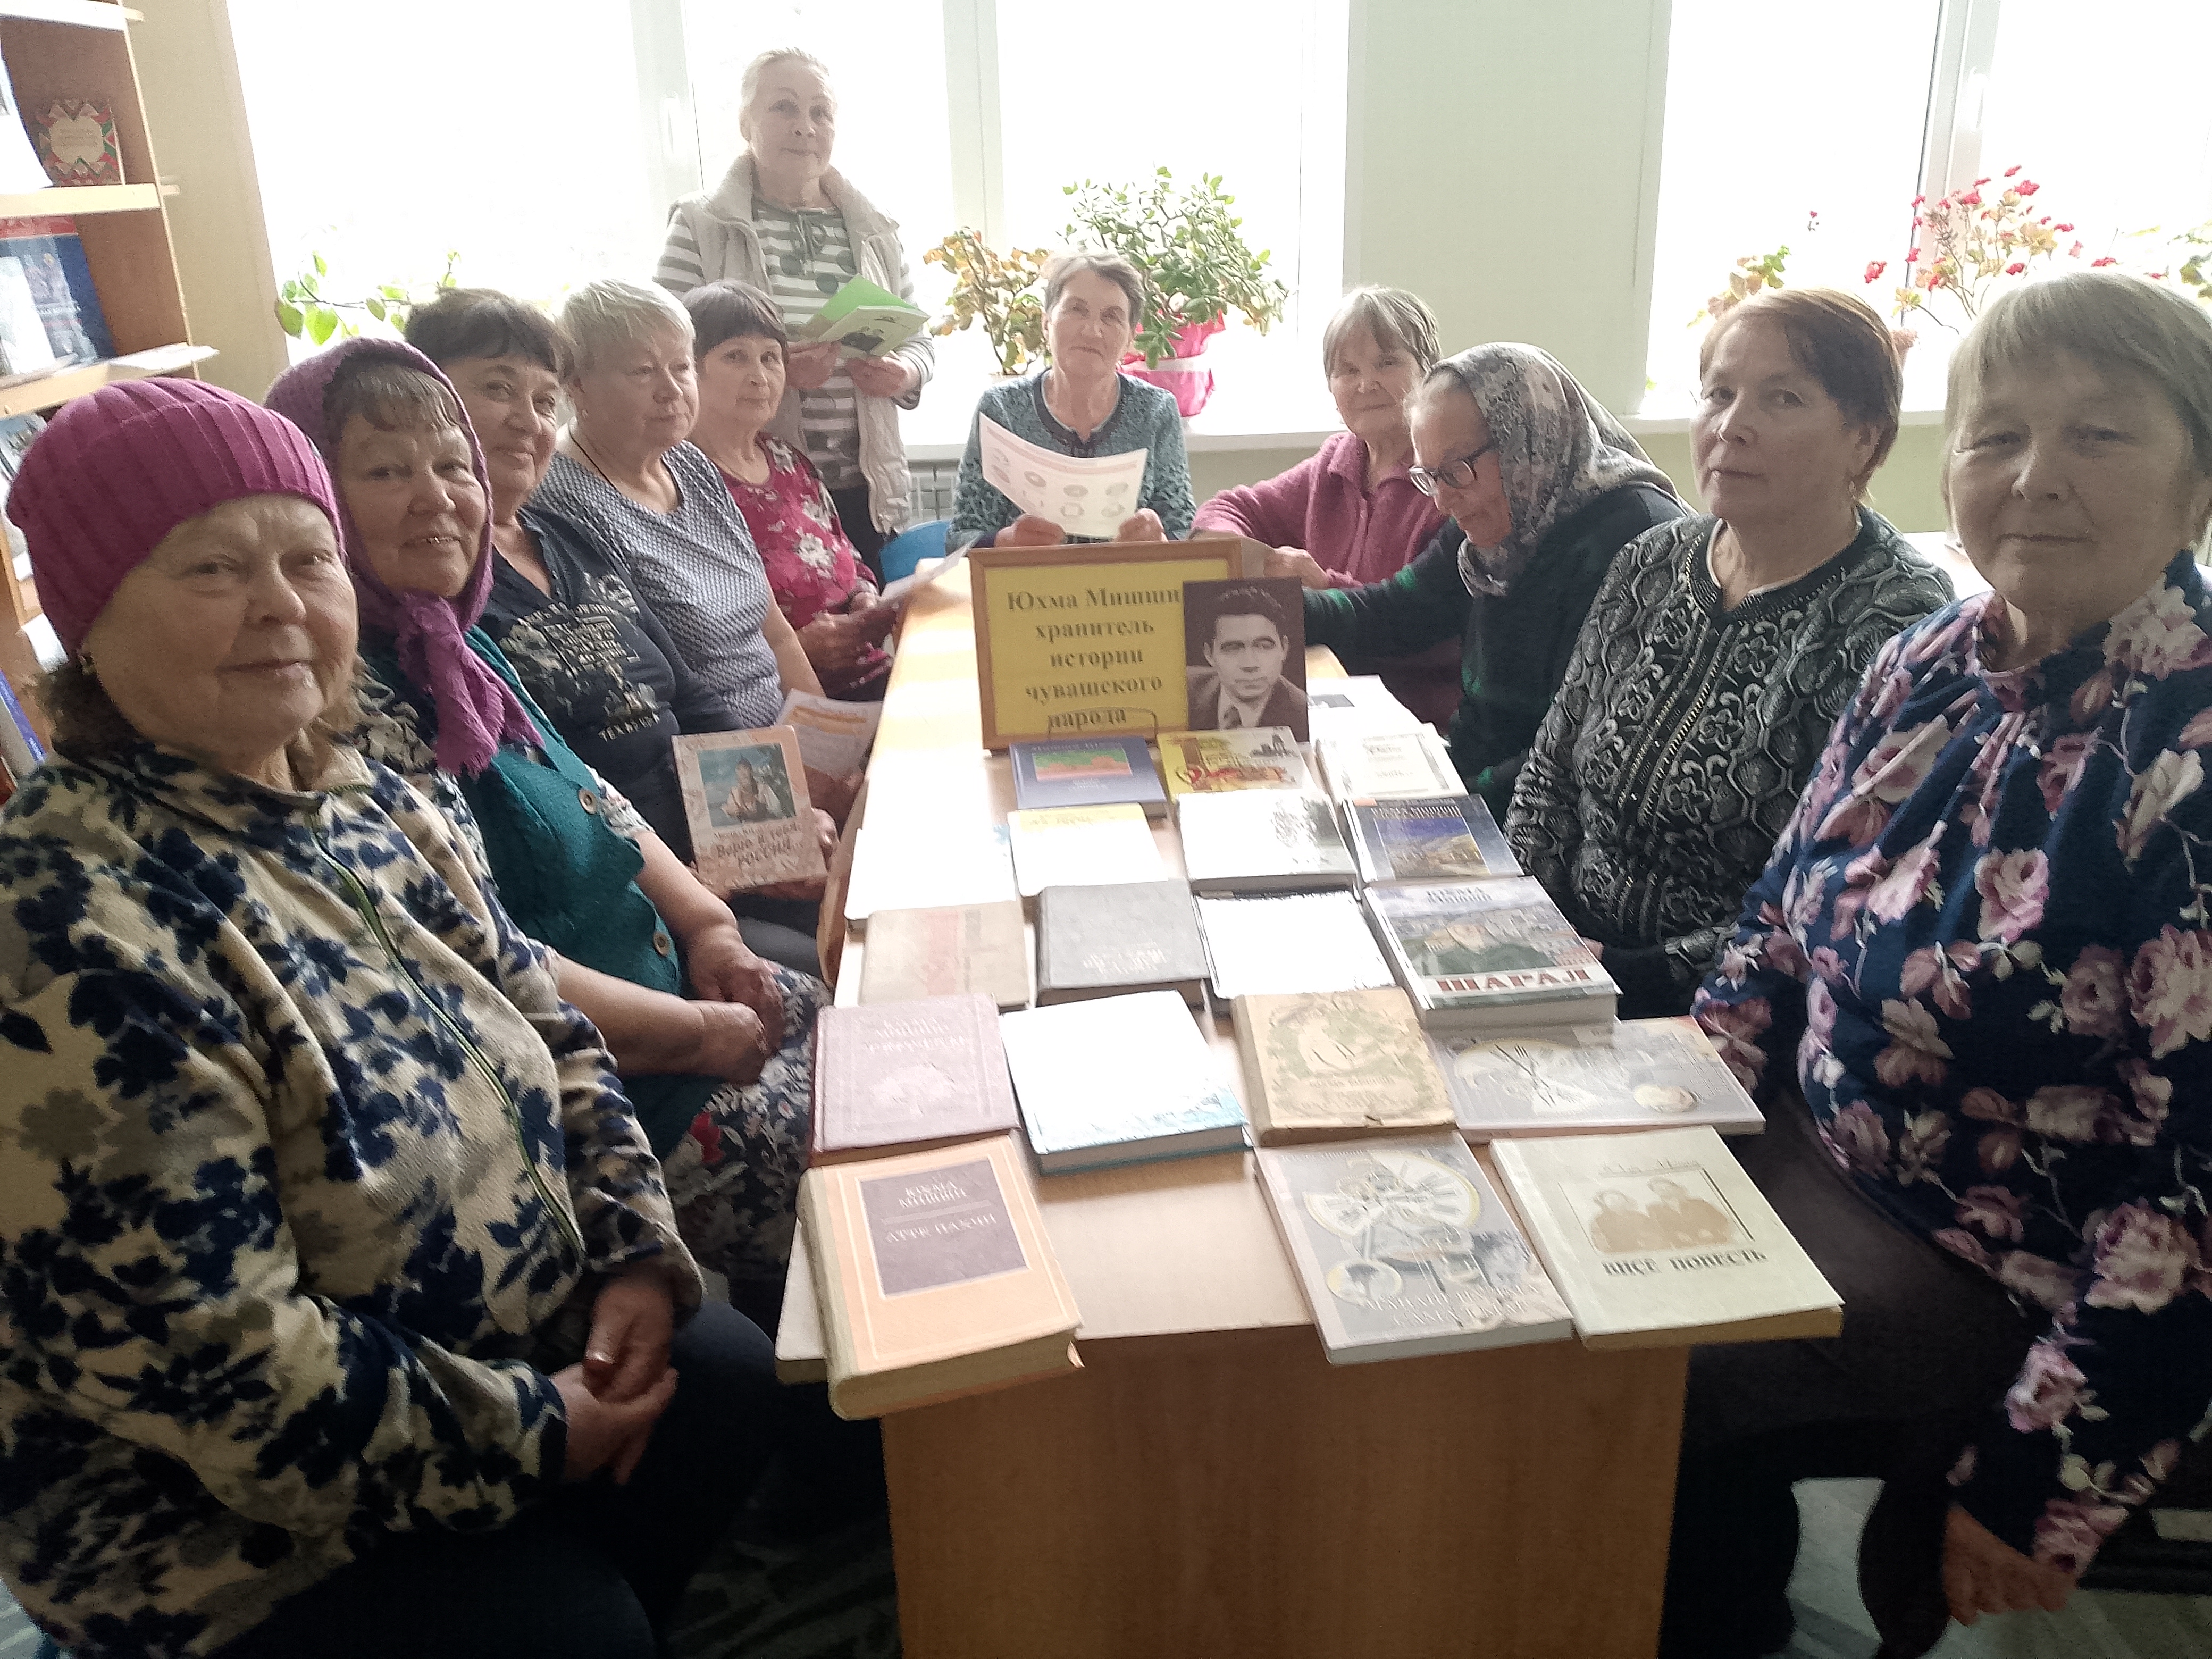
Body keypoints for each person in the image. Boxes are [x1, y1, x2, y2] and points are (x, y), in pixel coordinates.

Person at [0, 380, 783, 1659]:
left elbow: (553, 1029)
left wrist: (637, 1250)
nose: (279, 605)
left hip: (508, 1345)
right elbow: (220, 1363)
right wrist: (539, 1430)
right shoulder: (69, 926)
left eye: (306, 559)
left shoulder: (367, 795)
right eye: (212, 567)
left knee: (726, 1378)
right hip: (221, 1517)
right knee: (565, 1632)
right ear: (91, 623)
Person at [1678, 270, 2212, 1659]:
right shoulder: (1922, 662)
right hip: (1796, 1137)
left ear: (2198, 480)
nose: (2035, 477)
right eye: (1997, 435)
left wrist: (2044, 1474)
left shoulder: (2187, 758)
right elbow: (1778, 916)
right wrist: (1675, 1107)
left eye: (2099, 433)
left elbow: (2194, 1193)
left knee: (1638, 1374)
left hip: (1984, 1256)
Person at [266, 338, 826, 1314]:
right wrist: (697, 1034)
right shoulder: (345, 711)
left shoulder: (457, 646)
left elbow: (596, 797)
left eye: (453, 467)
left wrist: (711, 929)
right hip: (615, 1089)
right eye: (387, 472)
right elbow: (485, 962)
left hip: (677, 993)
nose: (439, 499)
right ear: (313, 501)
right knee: (863, 1166)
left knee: (887, 1037)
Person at [1506, 290, 1951, 1019]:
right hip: (1561, 958)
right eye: (1718, 394)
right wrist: (1525, 929)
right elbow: (1550, 772)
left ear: (1864, 440)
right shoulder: (1652, 560)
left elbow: (1834, 898)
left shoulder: (1898, 620)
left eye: (1782, 399)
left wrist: (1622, 975)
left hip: (1728, 1007)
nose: (1731, 426)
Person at [532, 279, 841, 955]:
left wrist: (827, 752)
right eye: (643, 372)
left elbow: (771, 626)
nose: (671, 390)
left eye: (680, 366)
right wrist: (781, 813)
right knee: (857, 927)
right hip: (709, 801)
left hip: (777, 758)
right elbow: (666, 698)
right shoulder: (562, 503)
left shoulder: (690, 465)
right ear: (576, 384)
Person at [1301, 345, 1687, 819]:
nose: (1442, 502)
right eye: (1431, 476)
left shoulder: (1636, 544)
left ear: (1526, 442)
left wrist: (1440, 806)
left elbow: (1580, 756)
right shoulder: (1503, 520)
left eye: (1456, 471)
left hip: (1542, 816)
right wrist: (1274, 611)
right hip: (1471, 781)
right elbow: (1396, 612)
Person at [655, 48, 929, 569]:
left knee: (871, 611)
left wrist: (905, 373)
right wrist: (776, 370)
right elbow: (665, 351)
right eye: (784, 107)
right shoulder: (701, 223)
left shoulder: (876, 229)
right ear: (745, 123)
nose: (805, 126)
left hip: (866, 488)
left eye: (820, 112)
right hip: (746, 484)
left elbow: (918, 342)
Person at [1193, 285, 1456, 722]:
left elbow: (1426, 629)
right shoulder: (1336, 461)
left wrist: (1322, 586)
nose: (1366, 384)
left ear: (1428, 371)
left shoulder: (1447, 482)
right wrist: (1240, 553)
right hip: (1326, 693)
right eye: (1347, 370)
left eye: (1387, 363)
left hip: (1412, 714)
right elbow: (1230, 508)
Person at [683, 278, 898, 699]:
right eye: (735, 357)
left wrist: (864, 600)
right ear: (688, 368)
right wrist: (799, 650)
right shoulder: (683, 482)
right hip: (782, 700)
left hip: (870, 677)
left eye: (770, 357)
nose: (760, 377)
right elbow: (697, 642)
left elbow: (849, 557)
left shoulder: (787, 459)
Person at [951, 251, 1196, 547]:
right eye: (1077, 310)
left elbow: (1183, 528)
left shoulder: (1156, 410)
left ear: (1130, 338)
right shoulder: (1001, 409)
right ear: (1046, 323)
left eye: (1111, 317)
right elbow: (961, 537)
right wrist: (1007, 542)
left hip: (1127, 578)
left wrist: (1159, 540)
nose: (1092, 331)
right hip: (1029, 577)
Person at [1185, 582, 1302, 730]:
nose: (1250, 665)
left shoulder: (1303, 713)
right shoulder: (1182, 692)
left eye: (1264, 646)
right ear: (1209, 654)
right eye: (1232, 649)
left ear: (1284, 649)